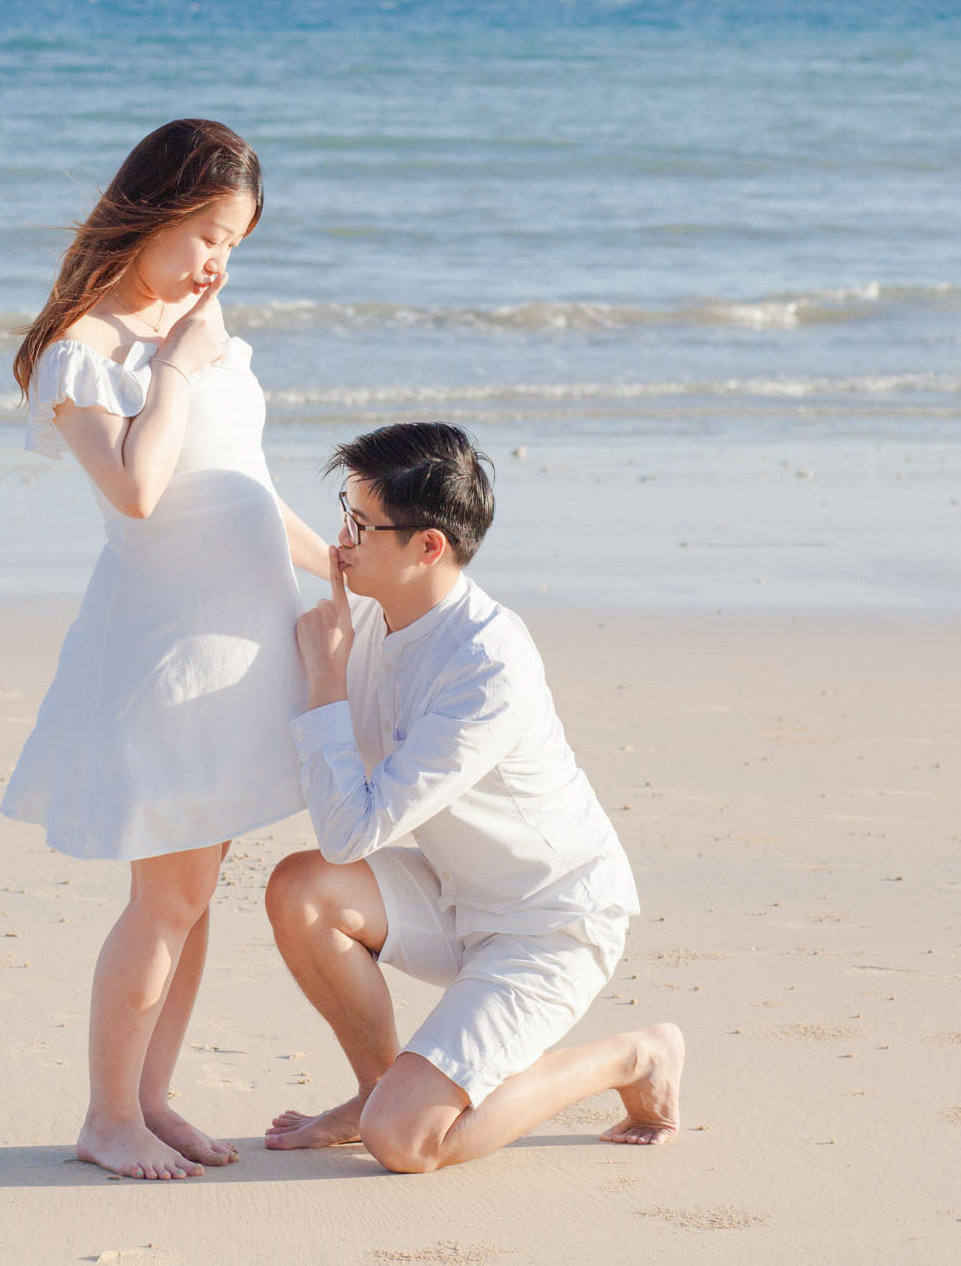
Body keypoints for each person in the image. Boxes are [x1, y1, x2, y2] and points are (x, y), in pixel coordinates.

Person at [0, 119, 332, 1181]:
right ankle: (108, 1116)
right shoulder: (82, 353)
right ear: (152, 210)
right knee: (166, 899)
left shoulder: (193, 327)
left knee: (193, 899)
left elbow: (244, 485)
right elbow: (139, 491)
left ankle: (148, 1098)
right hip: (170, 655)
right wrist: (180, 364)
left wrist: (339, 566)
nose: (217, 264)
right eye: (206, 236)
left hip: (244, 645)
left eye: (234, 244)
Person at [264, 422, 684, 1173]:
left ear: (428, 546)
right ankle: (377, 1090)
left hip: (551, 922)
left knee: (407, 1142)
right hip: (457, 891)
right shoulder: (372, 616)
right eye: (344, 512)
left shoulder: (487, 667)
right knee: (301, 891)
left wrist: (327, 680)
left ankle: (634, 1054)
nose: (342, 538)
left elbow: (350, 831)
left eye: (361, 523)